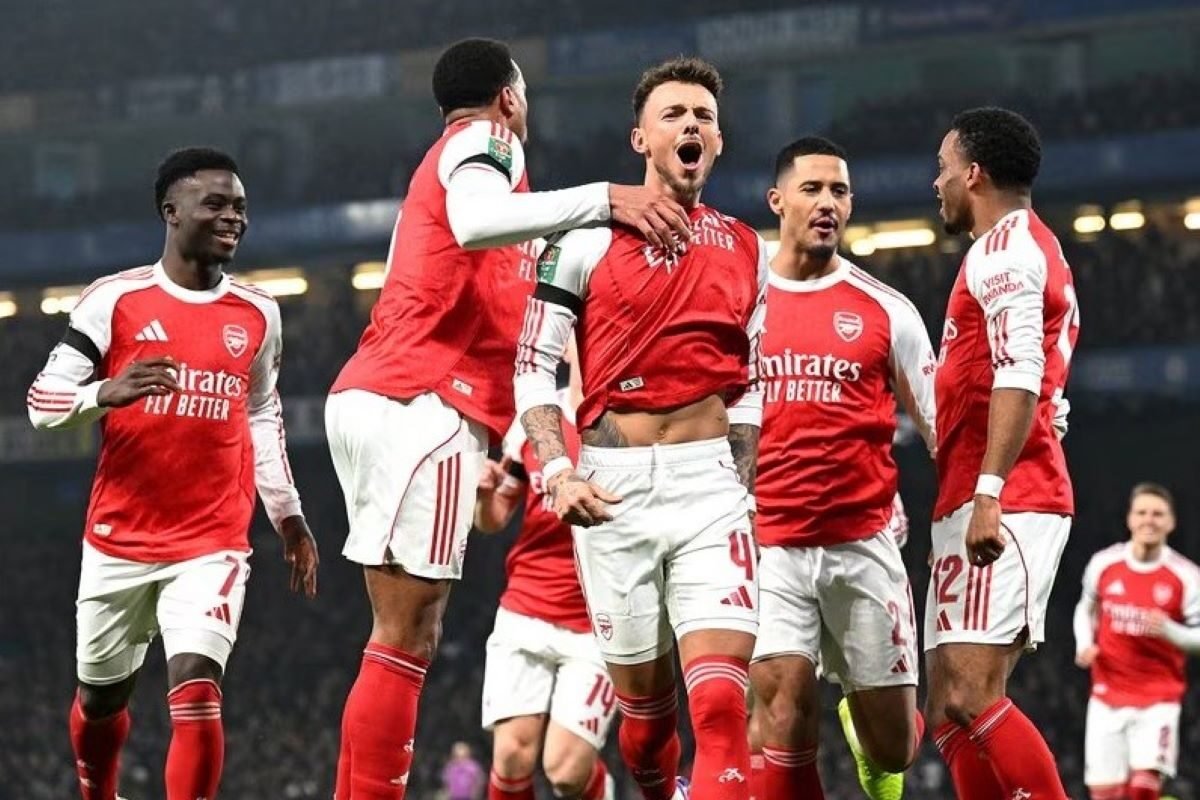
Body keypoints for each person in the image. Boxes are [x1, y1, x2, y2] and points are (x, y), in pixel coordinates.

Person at [324, 37, 691, 800]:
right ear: (511, 99)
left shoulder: (459, 180)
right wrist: (607, 196)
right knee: (405, 639)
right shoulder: (485, 142)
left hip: (391, 397)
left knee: (398, 638)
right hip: (423, 401)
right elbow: (474, 219)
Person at [27, 147, 318, 800]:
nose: (232, 217)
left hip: (212, 538)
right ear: (171, 210)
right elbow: (42, 404)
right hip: (119, 538)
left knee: (196, 681)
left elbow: (261, 414)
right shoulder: (116, 300)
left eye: (240, 206)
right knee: (101, 700)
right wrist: (104, 392)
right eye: (215, 203)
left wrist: (288, 513)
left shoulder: (258, 313)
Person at [514, 56, 766, 800]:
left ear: (717, 143)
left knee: (721, 703)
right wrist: (557, 472)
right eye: (674, 115)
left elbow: (750, 382)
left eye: (705, 118)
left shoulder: (745, 244)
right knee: (646, 725)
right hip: (612, 492)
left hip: (709, 491)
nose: (692, 125)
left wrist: (740, 476)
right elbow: (532, 364)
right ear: (640, 140)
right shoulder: (582, 240)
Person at [748, 137, 936, 800]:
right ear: (777, 200)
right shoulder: (740, 303)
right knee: (783, 711)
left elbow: (943, 430)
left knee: (896, 747)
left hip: (863, 544)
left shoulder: (888, 310)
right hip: (767, 544)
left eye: (840, 191)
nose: (828, 202)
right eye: (812, 189)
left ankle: (868, 729)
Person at [925, 107, 1081, 799]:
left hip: (1009, 497)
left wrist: (990, 490)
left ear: (974, 173)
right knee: (944, 706)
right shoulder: (1013, 247)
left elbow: (1020, 372)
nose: (938, 183)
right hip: (970, 493)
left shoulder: (1009, 250)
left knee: (972, 689)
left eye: (944, 168)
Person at [474, 341, 617, 800]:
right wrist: (483, 494)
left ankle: (602, 788)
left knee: (565, 772)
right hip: (526, 607)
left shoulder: (632, 420)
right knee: (511, 756)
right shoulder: (536, 417)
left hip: (597, 622)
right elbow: (494, 518)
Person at [1074, 483, 1200, 800]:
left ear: (1171, 522)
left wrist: (1170, 630)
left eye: (1158, 514)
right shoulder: (1104, 563)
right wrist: (1083, 643)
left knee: (1143, 788)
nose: (1149, 520)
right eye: (1142, 512)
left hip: (1158, 699)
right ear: (1130, 519)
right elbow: (1084, 609)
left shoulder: (1186, 576)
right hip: (1106, 696)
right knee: (1105, 794)